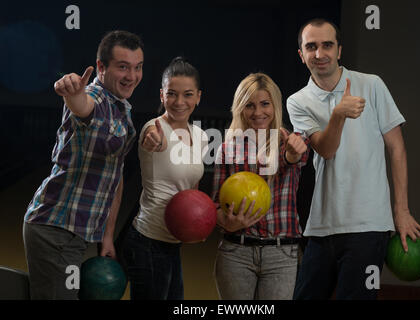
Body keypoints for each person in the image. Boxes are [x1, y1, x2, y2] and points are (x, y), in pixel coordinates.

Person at [286, 18, 420, 300]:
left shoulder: (372, 85)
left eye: (327, 45)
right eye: (311, 47)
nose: (320, 53)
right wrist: (338, 114)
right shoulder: (297, 101)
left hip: (370, 226)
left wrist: (401, 211)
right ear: (301, 55)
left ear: (339, 50)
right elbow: (326, 150)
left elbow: (397, 149)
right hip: (321, 226)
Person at [23, 30, 144, 299]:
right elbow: (83, 107)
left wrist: (108, 235)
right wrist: (72, 94)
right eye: (123, 67)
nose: (132, 76)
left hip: (74, 234)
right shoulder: (95, 96)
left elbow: (116, 175)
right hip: (54, 232)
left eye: (137, 67)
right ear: (101, 67)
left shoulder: (122, 108)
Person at [211, 72, 309, 300]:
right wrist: (227, 222)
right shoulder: (228, 148)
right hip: (236, 252)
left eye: (265, 104)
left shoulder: (291, 142)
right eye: (249, 105)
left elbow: (293, 158)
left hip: (282, 253)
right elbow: (215, 204)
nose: (257, 112)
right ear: (240, 109)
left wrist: (292, 152)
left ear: (275, 105)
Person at [122, 57, 207, 300]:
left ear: (198, 96)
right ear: (162, 95)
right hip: (147, 241)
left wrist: (198, 222)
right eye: (171, 94)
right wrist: (153, 141)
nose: (179, 102)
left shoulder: (201, 136)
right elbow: (153, 140)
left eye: (188, 94)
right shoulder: (154, 128)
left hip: (172, 242)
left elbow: (193, 192)